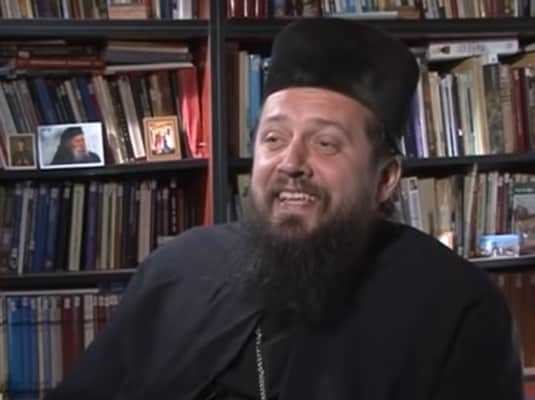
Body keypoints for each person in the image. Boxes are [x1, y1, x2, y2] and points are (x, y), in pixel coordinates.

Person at [45, 18, 523, 400]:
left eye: (326, 143)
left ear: (385, 178)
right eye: (273, 138)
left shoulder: (456, 307)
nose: (291, 163)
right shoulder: (176, 270)